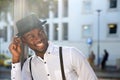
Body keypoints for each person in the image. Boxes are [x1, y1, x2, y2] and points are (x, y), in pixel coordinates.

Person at [9, 14, 98, 80]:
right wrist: (16, 58)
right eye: (30, 36)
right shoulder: (28, 66)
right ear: (24, 41)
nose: (38, 38)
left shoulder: (71, 54)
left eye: (40, 32)